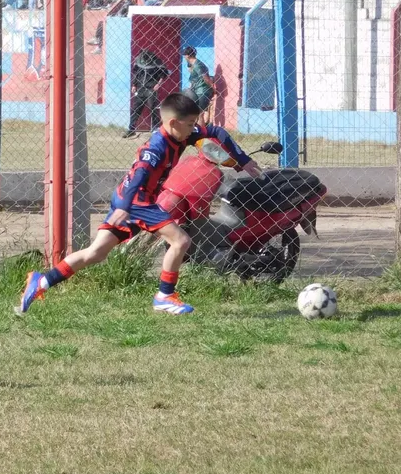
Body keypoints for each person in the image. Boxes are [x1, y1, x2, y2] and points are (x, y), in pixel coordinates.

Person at [18, 93, 261, 316]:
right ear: (174, 123)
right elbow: (138, 176)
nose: (194, 129)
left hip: (131, 201)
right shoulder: (156, 148)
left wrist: (243, 161)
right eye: (189, 124)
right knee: (181, 240)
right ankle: (165, 296)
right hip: (136, 202)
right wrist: (124, 206)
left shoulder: (182, 134)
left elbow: (217, 133)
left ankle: (42, 281)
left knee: (96, 253)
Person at [127, 49, 171, 138]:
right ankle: (131, 129)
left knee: (153, 108)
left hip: (151, 88)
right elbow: (136, 74)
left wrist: (158, 84)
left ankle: (155, 129)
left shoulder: (157, 62)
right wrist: (134, 85)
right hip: (140, 88)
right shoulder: (139, 61)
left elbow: (163, 74)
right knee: (136, 108)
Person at [183, 46, 215, 126]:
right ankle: (200, 131)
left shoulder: (198, 65)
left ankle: (202, 133)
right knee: (196, 113)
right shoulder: (192, 64)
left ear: (187, 56)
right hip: (196, 91)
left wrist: (214, 89)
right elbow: (193, 76)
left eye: (184, 55)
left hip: (202, 91)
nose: (183, 57)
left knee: (199, 113)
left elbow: (206, 79)